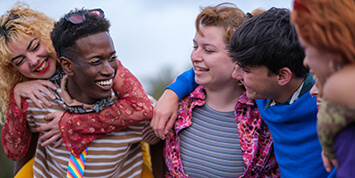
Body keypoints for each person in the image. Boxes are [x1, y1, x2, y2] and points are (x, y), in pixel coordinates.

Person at [152, 8, 337, 177]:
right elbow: (206, 71)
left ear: (282, 76)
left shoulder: (327, 97)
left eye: (245, 70)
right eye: (195, 47)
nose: (236, 74)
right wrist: (172, 92)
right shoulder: (259, 90)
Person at [0, 4, 157, 177]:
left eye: (35, 46)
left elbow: (142, 108)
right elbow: (17, 153)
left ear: (47, 37)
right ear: (12, 68)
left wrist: (72, 123)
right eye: (19, 60)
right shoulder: (32, 97)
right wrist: (16, 96)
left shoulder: (103, 69)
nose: (33, 60)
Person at [161, 3, 278, 177]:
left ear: (239, 57)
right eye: (195, 47)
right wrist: (171, 92)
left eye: (208, 50)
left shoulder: (265, 111)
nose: (195, 57)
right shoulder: (177, 106)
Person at [291, 0, 355, 176]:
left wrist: (328, 147)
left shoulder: (338, 87)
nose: (306, 61)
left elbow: (326, 123)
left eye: (307, 48)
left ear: (328, 44)